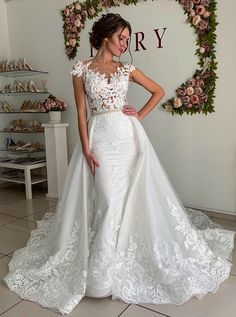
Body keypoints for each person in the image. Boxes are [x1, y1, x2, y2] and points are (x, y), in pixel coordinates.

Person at [3, 13, 235, 315]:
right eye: (121, 37)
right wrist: (85, 146)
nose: (125, 43)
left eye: (127, 38)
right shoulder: (81, 69)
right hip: (100, 137)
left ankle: (122, 261)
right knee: (110, 201)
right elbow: (82, 112)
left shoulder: (127, 69)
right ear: (105, 36)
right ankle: (101, 272)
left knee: (128, 200)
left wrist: (138, 114)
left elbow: (159, 91)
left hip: (128, 138)